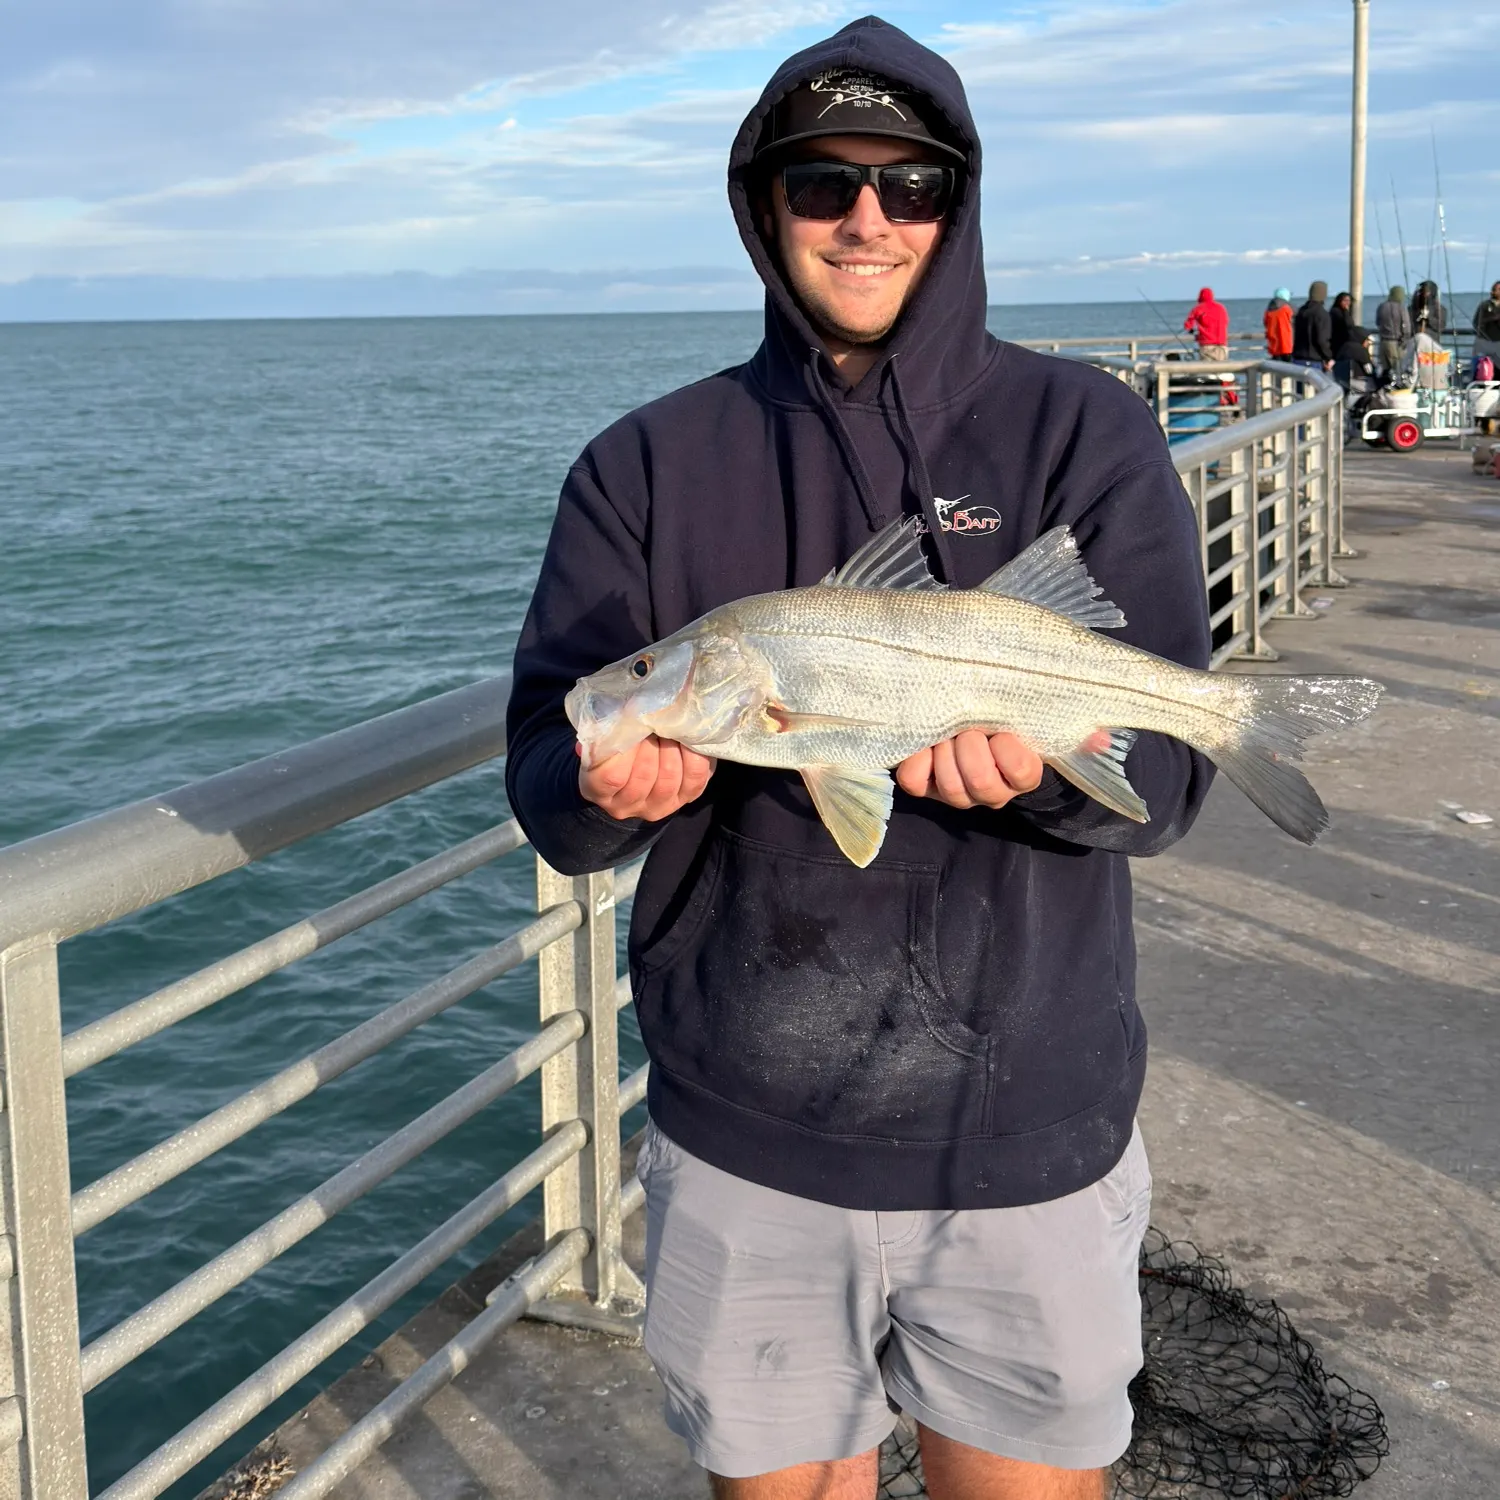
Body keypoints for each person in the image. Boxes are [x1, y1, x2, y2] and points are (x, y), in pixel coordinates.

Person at [507, 17, 1213, 1500]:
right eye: (823, 184)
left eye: (912, 187)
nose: (867, 220)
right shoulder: (644, 462)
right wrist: (592, 789)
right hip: (747, 1127)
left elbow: (1174, 780)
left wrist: (1038, 775)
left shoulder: (1083, 428)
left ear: (959, 207)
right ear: (763, 205)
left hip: (1026, 1118)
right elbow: (551, 761)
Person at [1291, 281, 1333, 370]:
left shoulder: (1301, 312)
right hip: (1314, 360)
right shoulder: (1322, 314)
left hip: (1297, 358)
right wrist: (1329, 357)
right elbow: (1322, 340)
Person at [1375, 285, 1411, 379]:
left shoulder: (1381, 306)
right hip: (1396, 343)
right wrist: (1405, 341)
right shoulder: (1401, 308)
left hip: (1383, 342)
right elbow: (1406, 327)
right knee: (1397, 369)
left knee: (1385, 369)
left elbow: (1378, 322)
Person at [1183, 285, 1229, 360]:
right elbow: (1226, 322)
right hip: (1222, 346)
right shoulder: (1221, 308)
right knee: (1221, 370)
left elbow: (1188, 325)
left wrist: (1192, 331)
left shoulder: (1198, 308)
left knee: (1207, 370)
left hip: (1207, 346)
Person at [1472, 281, 1500, 369]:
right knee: (1482, 367)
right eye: (1495, 289)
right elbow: (1476, 323)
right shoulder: (1484, 305)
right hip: (1485, 342)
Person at [1263, 287, 1294, 358]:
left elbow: (1265, 323)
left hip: (1273, 345)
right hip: (1287, 345)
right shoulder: (1288, 308)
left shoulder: (1268, 310)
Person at [1329, 291, 1354, 358]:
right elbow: (1347, 324)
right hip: (1337, 341)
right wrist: (1346, 311)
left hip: (1344, 341)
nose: (1347, 303)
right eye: (1345, 300)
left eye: (1348, 301)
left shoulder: (1345, 312)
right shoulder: (1335, 311)